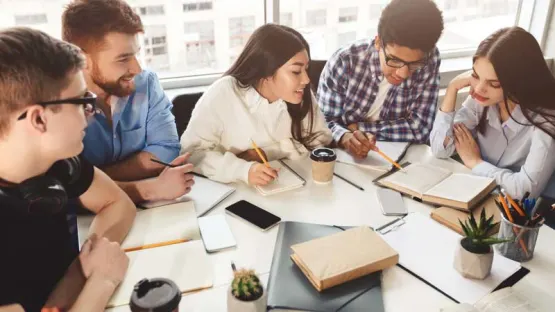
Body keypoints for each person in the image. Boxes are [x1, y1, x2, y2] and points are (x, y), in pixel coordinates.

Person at [0, 27, 135, 311]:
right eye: (82, 102)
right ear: (39, 120)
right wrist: (101, 281)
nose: (93, 111)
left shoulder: (60, 162)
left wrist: (77, 274)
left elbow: (117, 203)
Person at [62, 0, 194, 204]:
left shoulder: (146, 84)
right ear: (82, 59)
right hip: (90, 220)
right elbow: (68, 191)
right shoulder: (57, 105)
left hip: (159, 205)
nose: (137, 69)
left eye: (135, 55)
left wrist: (93, 179)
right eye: (123, 59)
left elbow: (166, 151)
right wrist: (147, 187)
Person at [180, 24, 332, 186]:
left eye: (306, 70)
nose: (306, 80)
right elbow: (192, 154)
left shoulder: (299, 93)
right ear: (267, 71)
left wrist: (269, 152)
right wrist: (242, 170)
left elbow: (322, 137)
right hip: (234, 191)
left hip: (291, 187)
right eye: (296, 71)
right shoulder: (224, 92)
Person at [430, 27, 555, 199]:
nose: (479, 88)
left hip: (516, 213)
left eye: (493, 83)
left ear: (518, 82)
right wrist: (452, 88)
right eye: (475, 75)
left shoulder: (546, 121)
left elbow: (525, 191)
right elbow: (441, 149)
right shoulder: (482, 99)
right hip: (477, 192)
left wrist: (476, 162)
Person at [317, 0, 444, 158]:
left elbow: (421, 129)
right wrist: (345, 137)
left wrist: (358, 128)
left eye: (414, 64)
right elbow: (322, 123)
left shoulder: (430, 59)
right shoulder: (345, 61)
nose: (403, 74)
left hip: (401, 160)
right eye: (395, 60)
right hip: (344, 160)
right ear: (378, 42)